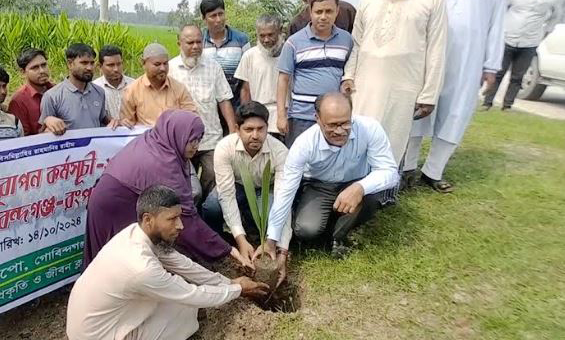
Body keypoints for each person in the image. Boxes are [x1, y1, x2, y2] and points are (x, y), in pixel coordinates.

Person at [67, 185, 269, 340]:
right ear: (148, 219)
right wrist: (238, 290)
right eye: (172, 219)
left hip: (95, 323)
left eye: (179, 217)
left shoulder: (135, 233)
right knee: (184, 305)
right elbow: (191, 294)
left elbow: (183, 265)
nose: (180, 225)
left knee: (181, 305)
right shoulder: (141, 267)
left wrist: (228, 282)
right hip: (94, 335)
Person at [405, 0, 506, 193]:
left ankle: (433, 171)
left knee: (457, 113)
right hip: (430, 58)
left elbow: (497, 24)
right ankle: (408, 168)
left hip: (469, 61)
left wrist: (491, 66)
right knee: (419, 111)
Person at [83, 110, 253, 270]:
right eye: (191, 140)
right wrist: (226, 250)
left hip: (120, 201)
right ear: (177, 135)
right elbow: (185, 219)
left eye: (198, 139)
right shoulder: (162, 163)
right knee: (115, 262)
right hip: (113, 208)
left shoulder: (158, 142)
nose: (196, 146)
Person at [341, 0, 448, 163]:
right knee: (357, 138)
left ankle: (384, 183)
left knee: (391, 143)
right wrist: (348, 75)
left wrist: (429, 94)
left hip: (404, 88)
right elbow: (357, 42)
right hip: (365, 85)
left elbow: (437, 48)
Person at [260, 93, 399, 263]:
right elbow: (285, 191)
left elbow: (390, 171)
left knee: (373, 194)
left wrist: (360, 187)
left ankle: (340, 233)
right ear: (317, 119)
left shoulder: (370, 128)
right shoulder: (304, 144)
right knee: (306, 230)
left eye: (345, 123)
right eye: (332, 125)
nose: (340, 131)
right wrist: (271, 239)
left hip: (356, 182)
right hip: (319, 186)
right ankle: (332, 219)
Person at [202, 102, 290, 266]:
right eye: (249, 129)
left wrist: (276, 244)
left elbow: (283, 200)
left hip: (267, 189)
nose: (255, 135)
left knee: (271, 214)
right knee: (212, 207)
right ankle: (220, 242)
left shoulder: (280, 151)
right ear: (237, 129)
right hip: (238, 187)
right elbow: (227, 195)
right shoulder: (225, 147)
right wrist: (240, 239)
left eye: (260, 129)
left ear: (267, 128)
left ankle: (263, 241)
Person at [277, 0, 354, 147]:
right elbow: (283, 79)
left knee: (333, 157)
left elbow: (349, 71)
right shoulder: (293, 42)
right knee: (300, 158)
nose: (323, 16)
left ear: (337, 11)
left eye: (329, 11)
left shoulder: (346, 40)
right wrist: (281, 115)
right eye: (318, 12)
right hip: (301, 117)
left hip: (334, 119)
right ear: (310, 13)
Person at [169, 24, 236, 197]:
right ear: (179, 43)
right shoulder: (169, 69)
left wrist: (233, 130)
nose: (195, 47)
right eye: (190, 43)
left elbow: (224, 100)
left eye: (199, 42)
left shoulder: (213, 67)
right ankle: (189, 209)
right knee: (183, 182)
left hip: (210, 138)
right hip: (181, 141)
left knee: (213, 174)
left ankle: (204, 208)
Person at [482, 0, 558, 110]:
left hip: (530, 42)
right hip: (507, 39)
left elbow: (556, 16)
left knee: (517, 77)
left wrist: (545, 33)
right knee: (498, 72)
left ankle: (507, 105)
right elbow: (499, 10)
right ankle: (487, 102)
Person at [40, 43, 116, 135]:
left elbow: (102, 120)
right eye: (84, 63)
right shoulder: (52, 96)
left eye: (92, 63)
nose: (89, 68)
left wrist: (113, 122)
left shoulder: (99, 92)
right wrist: (49, 124)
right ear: (70, 64)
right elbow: (43, 134)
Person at [120, 43, 197, 126]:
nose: (163, 68)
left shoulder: (179, 88)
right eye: (157, 64)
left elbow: (192, 118)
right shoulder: (132, 91)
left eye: (165, 63)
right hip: (145, 134)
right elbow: (128, 124)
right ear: (143, 63)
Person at [235, 15, 285, 138]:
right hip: (259, 116)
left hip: (284, 116)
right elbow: (245, 90)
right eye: (262, 36)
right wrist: (247, 117)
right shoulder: (249, 56)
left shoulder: (290, 53)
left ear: (280, 31)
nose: (266, 40)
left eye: (270, 35)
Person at [199, 0, 250, 109]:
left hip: (236, 105)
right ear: (204, 18)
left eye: (221, 14)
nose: (218, 20)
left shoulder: (241, 40)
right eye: (213, 16)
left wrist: (244, 109)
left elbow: (247, 77)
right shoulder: (199, 41)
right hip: (208, 106)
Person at [8, 48, 54, 136]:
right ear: (23, 72)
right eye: (35, 68)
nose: (42, 71)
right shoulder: (18, 101)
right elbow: (21, 137)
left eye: (44, 65)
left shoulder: (58, 91)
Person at [92, 45, 134, 120]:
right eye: (110, 65)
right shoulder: (94, 88)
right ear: (100, 66)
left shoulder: (134, 85)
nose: (116, 69)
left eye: (119, 64)